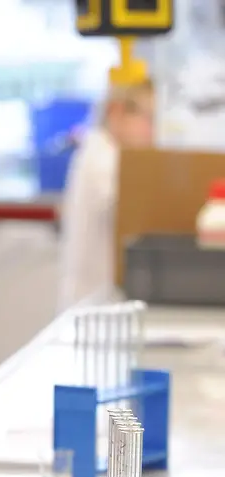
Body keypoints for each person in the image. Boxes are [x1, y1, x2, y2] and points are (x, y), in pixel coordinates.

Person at [58, 79, 155, 310]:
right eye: (148, 118)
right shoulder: (103, 158)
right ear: (116, 111)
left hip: (98, 306)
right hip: (91, 308)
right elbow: (135, 208)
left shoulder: (103, 151)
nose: (152, 131)